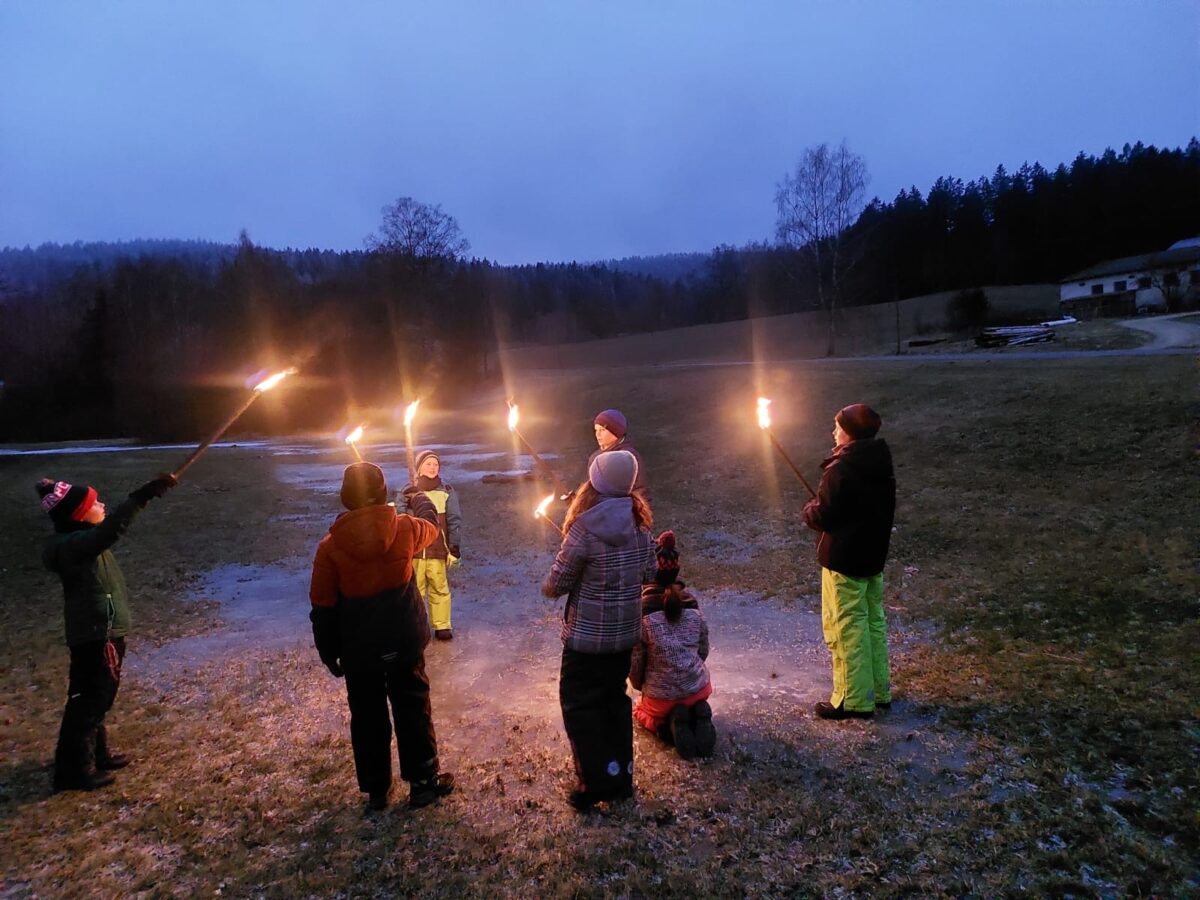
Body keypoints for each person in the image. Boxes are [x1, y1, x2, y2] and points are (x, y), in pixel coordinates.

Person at [309, 462, 455, 811]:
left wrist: (329, 652)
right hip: (403, 640)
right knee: (413, 706)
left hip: (360, 648)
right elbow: (432, 529)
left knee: (367, 714)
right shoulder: (403, 528)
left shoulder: (329, 547)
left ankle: (376, 789)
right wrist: (420, 500)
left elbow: (322, 606)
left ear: (346, 498)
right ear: (382, 492)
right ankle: (422, 782)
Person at [38, 472, 177, 791]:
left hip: (104, 631)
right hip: (95, 633)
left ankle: (96, 754)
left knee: (98, 695)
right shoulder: (75, 545)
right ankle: (73, 770)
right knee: (90, 698)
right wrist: (140, 497)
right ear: (79, 515)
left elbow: (102, 535)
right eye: (94, 503)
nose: (101, 505)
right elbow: (110, 531)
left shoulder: (80, 542)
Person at [542, 449, 656, 811]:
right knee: (614, 702)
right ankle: (620, 776)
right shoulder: (640, 526)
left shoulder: (584, 528)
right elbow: (651, 573)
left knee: (580, 706)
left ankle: (593, 783)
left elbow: (555, 584)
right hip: (624, 637)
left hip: (586, 641)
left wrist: (565, 563)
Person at [801, 404, 897, 720]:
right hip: (871, 557)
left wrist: (810, 511)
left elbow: (825, 514)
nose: (833, 432)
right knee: (871, 623)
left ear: (849, 432)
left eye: (837, 427)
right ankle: (878, 691)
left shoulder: (842, 468)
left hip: (844, 560)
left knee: (846, 628)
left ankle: (852, 700)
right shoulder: (879, 461)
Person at [629, 530, 715, 759]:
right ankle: (698, 713)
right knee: (687, 698)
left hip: (661, 698)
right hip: (697, 688)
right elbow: (703, 649)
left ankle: (667, 729)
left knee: (639, 710)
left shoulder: (642, 612)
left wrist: (639, 684)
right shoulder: (692, 605)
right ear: (676, 570)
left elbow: (636, 661)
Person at [401, 449, 463, 641]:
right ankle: (415, 627)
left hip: (437, 549)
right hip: (416, 551)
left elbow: (454, 519)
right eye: (428, 464)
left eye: (435, 464)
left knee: (439, 587)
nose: (432, 467)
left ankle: (442, 626)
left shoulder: (446, 492)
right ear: (419, 468)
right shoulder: (408, 491)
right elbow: (399, 519)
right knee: (415, 590)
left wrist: (454, 547)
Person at [587, 408, 650, 504]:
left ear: (615, 431)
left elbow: (638, 491)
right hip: (599, 510)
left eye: (603, 430)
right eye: (596, 430)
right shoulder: (595, 457)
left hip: (623, 510)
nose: (598, 434)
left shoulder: (627, 458)